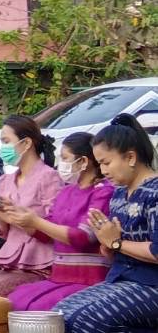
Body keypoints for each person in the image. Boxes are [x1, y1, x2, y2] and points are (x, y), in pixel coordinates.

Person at [54, 115, 158, 333]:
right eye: (99, 163)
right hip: (122, 280)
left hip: (151, 285)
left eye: (106, 163)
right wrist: (107, 245)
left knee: (86, 321)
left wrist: (117, 243)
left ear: (130, 157)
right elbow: (115, 247)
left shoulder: (155, 193)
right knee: (60, 315)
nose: (103, 170)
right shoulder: (119, 194)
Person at [7, 133, 115, 312]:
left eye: (65, 158)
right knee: (15, 300)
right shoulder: (66, 191)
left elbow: (83, 237)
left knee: (39, 309)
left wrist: (35, 221)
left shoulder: (103, 192)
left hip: (89, 280)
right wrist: (19, 217)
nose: (60, 164)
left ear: (84, 162)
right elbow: (46, 233)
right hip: (59, 277)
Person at [0, 115, 64, 297]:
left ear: (26, 144)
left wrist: (18, 218)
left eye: (6, 141)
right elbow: (3, 231)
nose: (3, 148)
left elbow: (55, 225)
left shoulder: (48, 176)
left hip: (40, 262)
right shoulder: (5, 180)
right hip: (12, 261)